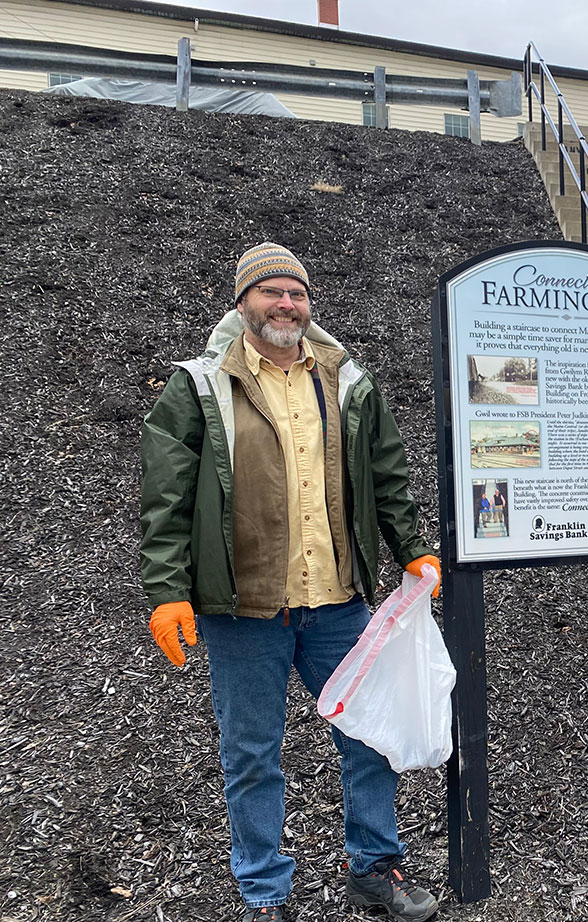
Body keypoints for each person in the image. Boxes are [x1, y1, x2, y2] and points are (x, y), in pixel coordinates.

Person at [139, 242, 442, 922]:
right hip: (244, 609)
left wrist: (413, 550)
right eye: (271, 292)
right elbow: (166, 500)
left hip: (336, 603)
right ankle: (264, 895)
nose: (286, 304)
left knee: (371, 736)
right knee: (251, 755)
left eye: (296, 294)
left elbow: (389, 477)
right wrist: (167, 591)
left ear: (309, 304)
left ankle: (372, 867)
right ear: (242, 302)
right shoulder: (199, 385)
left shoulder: (346, 381)